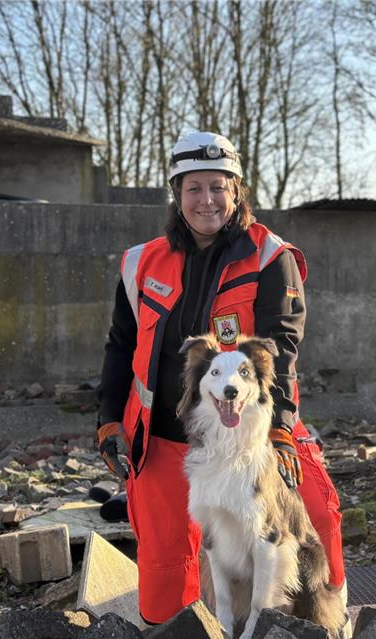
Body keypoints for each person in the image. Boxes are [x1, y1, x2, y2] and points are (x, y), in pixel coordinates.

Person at [95, 131, 345, 625]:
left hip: (248, 435)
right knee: (166, 578)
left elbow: (284, 351)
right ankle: (191, 627)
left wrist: (282, 429)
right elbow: (120, 347)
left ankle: (328, 623)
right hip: (163, 440)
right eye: (193, 188)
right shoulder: (139, 264)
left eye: (218, 186)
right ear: (177, 193)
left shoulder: (270, 258)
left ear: (237, 190)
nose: (207, 200)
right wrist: (107, 421)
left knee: (315, 519)